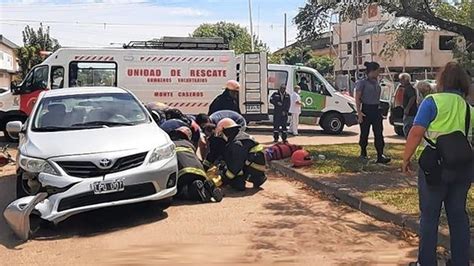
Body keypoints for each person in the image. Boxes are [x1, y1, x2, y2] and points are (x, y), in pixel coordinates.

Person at [402, 62, 473, 266]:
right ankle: (461, 261)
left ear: (442, 81)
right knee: (458, 216)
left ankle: (426, 262)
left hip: (434, 168)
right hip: (461, 168)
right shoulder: (468, 108)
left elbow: (416, 132)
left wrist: (406, 157)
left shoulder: (431, 101)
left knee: (430, 216)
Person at [160, 120, 223, 203]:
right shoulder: (189, 145)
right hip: (200, 172)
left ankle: (193, 191)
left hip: (182, 174)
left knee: (180, 192)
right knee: (197, 181)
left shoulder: (169, 145)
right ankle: (208, 186)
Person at [355, 61, 391, 164]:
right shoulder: (362, 82)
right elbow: (357, 97)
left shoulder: (377, 82)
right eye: (377, 71)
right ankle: (363, 153)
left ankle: (380, 155)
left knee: (379, 133)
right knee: (364, 133)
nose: (378, 73)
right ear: (372, 71)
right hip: (366, 109)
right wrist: (359, 113)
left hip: (376, 109)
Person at [216, 118, 267, 191]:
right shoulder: (242, 136)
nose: (222, 136)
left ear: (226, 131)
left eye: (222, 134)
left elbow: (235, 167)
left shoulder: (236, 143)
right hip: (256, 169)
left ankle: (241, 181)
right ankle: (258, 179)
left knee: (235, 177)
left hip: (253, 171)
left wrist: (223, 179)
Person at [400, 73, 417, 138]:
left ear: (405, 80)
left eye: (401, 80)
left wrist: (407, 108)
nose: (400, 81)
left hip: (410, 113)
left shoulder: (408, 88)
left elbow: (412, 97)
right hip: (411, 113)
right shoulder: (408, 88)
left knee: (407, 128)